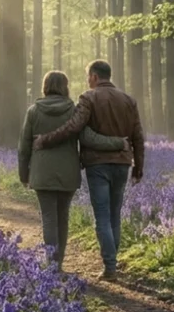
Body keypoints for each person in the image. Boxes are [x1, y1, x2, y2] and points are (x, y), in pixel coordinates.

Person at [33, 60, 144, 282]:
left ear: (94, 76)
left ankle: (110, 267)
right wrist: (138, 167)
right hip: (123, 164)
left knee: (102, 215)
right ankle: (111, 263)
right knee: (114, 214)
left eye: (88, 76)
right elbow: (138, 136)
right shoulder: (128, 100)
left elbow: (74, 128)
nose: (87, 81)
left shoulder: (89, 98)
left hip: (98, 165)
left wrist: (46, 139)